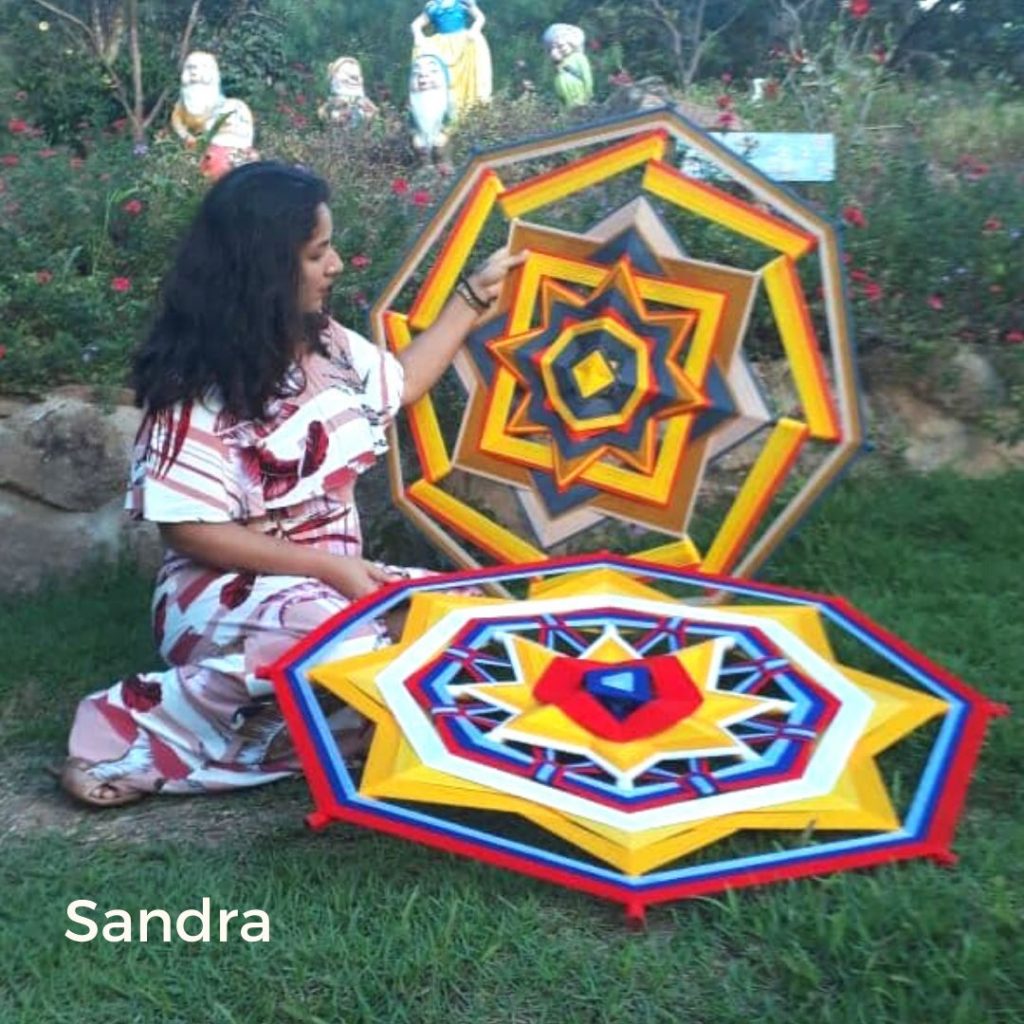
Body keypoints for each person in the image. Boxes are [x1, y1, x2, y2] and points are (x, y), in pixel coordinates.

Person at [60, 161, 521, 807]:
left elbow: (401, 383)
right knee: (343, 645)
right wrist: (326, 569)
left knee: (465, 618)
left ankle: (341, 729)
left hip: (330, 583)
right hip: (223, 589)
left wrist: (471, 298)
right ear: (264, 268)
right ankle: (124, 736)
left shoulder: (326, 343)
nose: (335, 265)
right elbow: (188, 530)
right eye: (316, 253)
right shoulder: (195, 384)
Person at [411, 0, 492, 118]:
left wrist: (475, 30)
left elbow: (480, 17)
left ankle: (468, 109)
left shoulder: (463, 2)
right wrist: (418, 35)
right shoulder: (433, 6)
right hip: (441, 47)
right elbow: (416, 25)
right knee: (446, 77)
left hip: (463, 44)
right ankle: (446, 113)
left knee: (466, 76)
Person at [542, 24, 593, 109]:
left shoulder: (579, 57)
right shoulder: (557, 64)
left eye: (561, 46)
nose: (557, 50)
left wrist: (588, 95)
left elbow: (587, 77)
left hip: (580, 98)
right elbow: (548, 80)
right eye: (553, 48)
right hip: (566, 103)